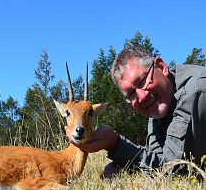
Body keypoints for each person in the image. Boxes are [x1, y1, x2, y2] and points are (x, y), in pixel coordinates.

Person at [67, 47, 206, 178]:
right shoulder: (157, 105)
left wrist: (115, 144)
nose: (142, 96)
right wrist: (123, 165)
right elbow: (157, 159)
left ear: (161, 67)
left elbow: (175, 172)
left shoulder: (196, 92)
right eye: (132, 94)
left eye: (142, 81)